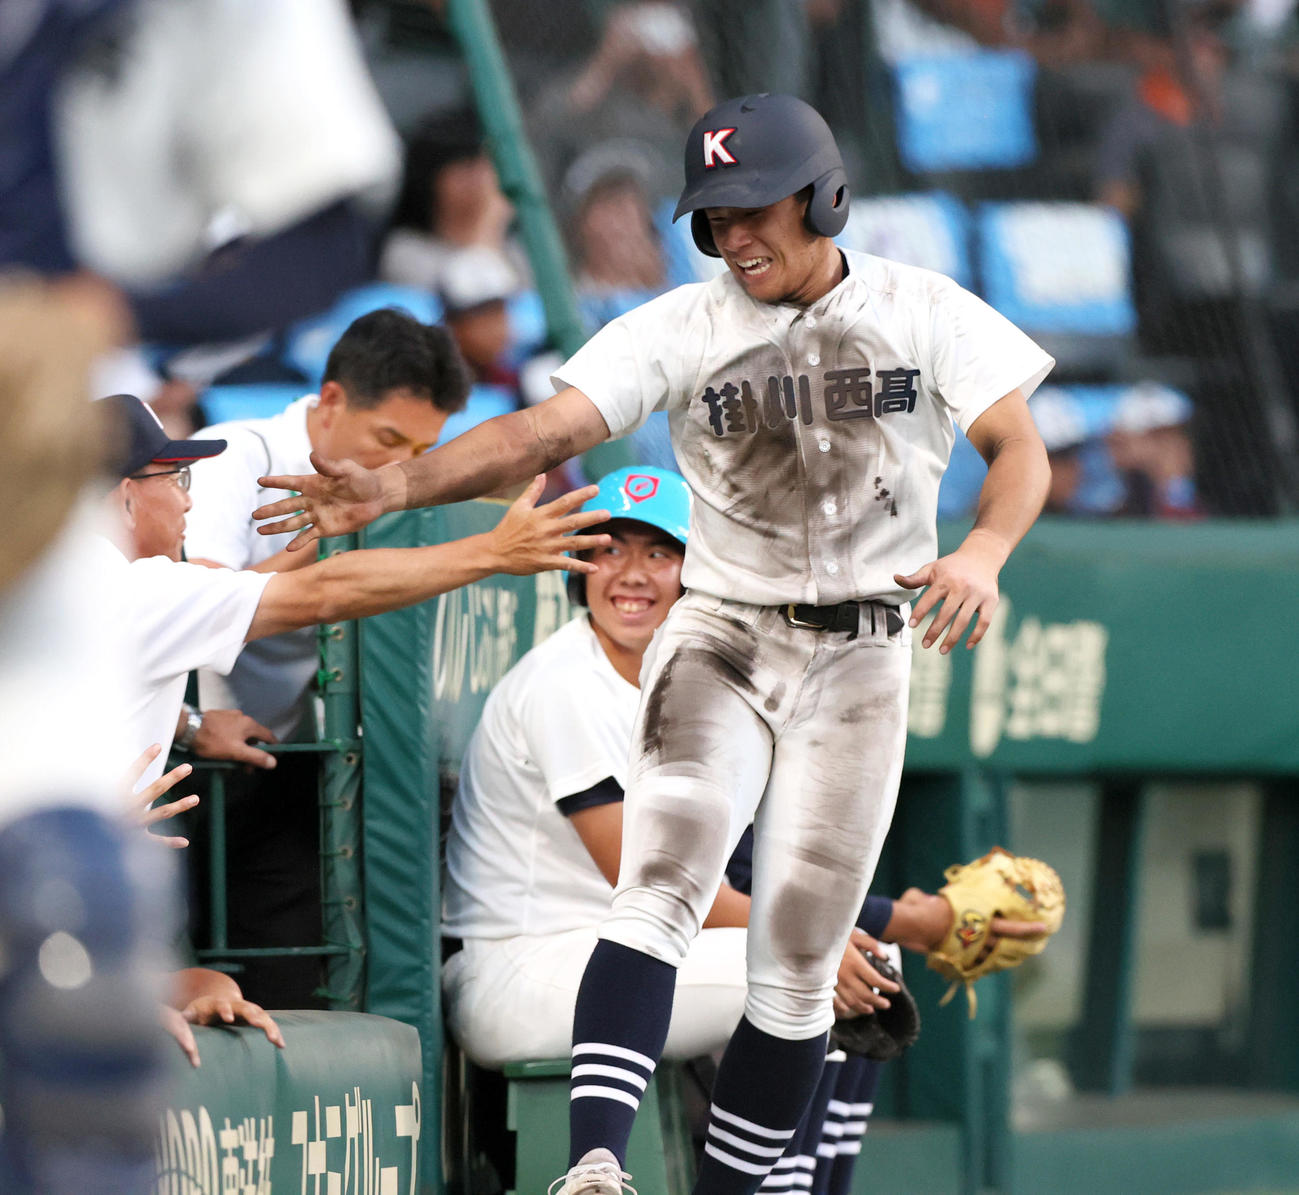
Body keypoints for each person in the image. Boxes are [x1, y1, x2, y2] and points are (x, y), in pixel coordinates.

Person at [254, 93, 1054, 1195]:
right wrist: (396, 483)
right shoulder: (684, 324)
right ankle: (593, 1166)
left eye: (751, 208)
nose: (731, 236)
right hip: (722, 633)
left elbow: (1020, 448)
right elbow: (541, 432)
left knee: (800, 968)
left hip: (863, 655)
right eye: (711, 216)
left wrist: (986, 551)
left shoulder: (924, 307)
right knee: (660, 886)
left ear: (824, 198)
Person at [443, 466, 1047, 1194]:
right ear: (579, 563)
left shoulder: (688, 675)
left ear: (699, 571)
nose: (629, 574)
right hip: (521, 966)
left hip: (601, 954)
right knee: (810, 974)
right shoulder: (567, 681)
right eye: (609, 549)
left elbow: (755, 867)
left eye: (658, 554)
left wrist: (893, 921)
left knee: (857, 960)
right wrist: (892, 924)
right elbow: (639, 872)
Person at [99, 392, 610, 791]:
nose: (187, 500)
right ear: (126, 498)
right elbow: (326, 590)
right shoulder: (129, 591)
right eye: (175, 478)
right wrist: (493, 552)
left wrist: (188, 725)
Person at [183, 306, 471, 1006]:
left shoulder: (398, 494)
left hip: (283, 758)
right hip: (184, 761)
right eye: (387, 439)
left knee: (287, 982)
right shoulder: (233, 456)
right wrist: (319, 549)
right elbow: (189, 609)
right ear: (333, 400)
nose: (401, 469)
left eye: (420, 450)